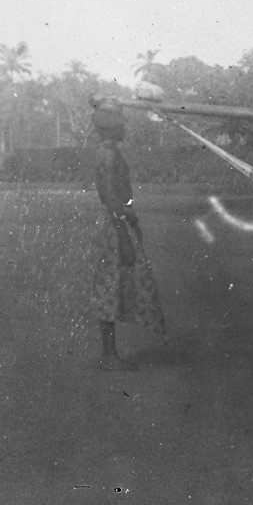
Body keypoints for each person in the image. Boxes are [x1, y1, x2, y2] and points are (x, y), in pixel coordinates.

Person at [88, 101, 166, 370]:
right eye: (121, 124)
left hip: (117, 222)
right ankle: (109, 356)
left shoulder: (109, 153)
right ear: (111, 128)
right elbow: (111, 198)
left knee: (117, 285)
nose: (125, 128)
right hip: (114, 225)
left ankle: (110, 354)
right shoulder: (107, 155)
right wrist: (123, 228)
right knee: (109, 287)